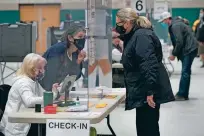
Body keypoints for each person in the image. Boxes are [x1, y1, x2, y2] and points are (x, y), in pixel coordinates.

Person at [114, 8, 175, 136]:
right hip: (143, 87)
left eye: (118, 23)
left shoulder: (141, 36)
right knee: (144, 126)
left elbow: (148, 64)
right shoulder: (136, 35)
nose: (117, 27)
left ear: (127, 23)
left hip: (147, 90)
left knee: (148, 128)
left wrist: (150, 91)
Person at [0, 53, 59, 136]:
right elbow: (29, 101)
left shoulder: (33, 82)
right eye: (39, 68)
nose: (42, 71)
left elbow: (45, 95)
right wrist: (51, 97)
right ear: (30, 68)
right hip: (17, 128)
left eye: (43, 68)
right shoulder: (23, 82)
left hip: (27, 123)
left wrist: (54, 91)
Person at [159, 11, 198, 101]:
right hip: (190, 48)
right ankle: (184, 94)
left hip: (189, 49)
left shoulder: (175, 26)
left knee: (185, 72)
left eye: (163, 21)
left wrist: (174, 54)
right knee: (186, 72)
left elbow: (179, 41)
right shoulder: (177, 23)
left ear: (167, 19)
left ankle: (182, 94)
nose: (163, 23)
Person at [40, 24, 86, 91]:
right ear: (70, 38)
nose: (83, 40)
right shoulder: (57, 50)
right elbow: (51, 76)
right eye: (80, 36)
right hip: (42, 89)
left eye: (84, 37)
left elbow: (74, 77)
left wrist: (78, 62)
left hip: (55, 89)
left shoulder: (76, 52)